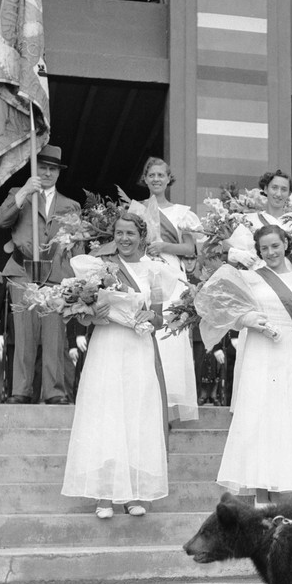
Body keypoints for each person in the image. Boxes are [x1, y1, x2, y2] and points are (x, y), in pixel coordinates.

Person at [196, 225, 292, 503]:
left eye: (275, 246)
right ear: (258, 251)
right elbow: (214, 304)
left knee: (285, 419)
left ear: (286, 245)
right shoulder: (249, 277)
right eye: (264, 248)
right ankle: (260, 492)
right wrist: (244, 321)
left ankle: (279, 485)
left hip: (290, 353)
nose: (271, 252)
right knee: (259, 417)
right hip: (259, 351)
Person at [62, 212, 176, 518]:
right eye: (119, 233)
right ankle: (104, 496)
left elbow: (160, 316)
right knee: (107, 414)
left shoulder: (155, 271)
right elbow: (83, 313)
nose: (124, 239)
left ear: (142, 236)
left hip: (138, 348)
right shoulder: (99, 267)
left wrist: (151, 317)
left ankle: (133, 494)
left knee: (135, 415)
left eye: (131, 233)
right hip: (108, 346)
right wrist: (91, 314)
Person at [0, 144, 80, 405]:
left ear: (58, 173)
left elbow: (78, 247)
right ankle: (21, 390)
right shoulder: (20, 194)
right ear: (34, 169)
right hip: (23, 272)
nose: (47, 172)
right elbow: (0, 219)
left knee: (55, 336)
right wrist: (24, 193)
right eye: (42, 167)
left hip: (55, 275)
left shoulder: (70, 205)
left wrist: (76, 281)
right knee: (24, 334)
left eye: (53, 168)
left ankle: (54, 392)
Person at [124, 156, 200, 421]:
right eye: (151, 175)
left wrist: (164, 246)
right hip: (144, 272)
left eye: (161, 175)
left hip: (172, 274)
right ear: (145, 179)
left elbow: (191, 248)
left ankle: (170, 403)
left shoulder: (182, 212)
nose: (156, 179)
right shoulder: (135, 210)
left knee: (171, 334)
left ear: (169, 179)